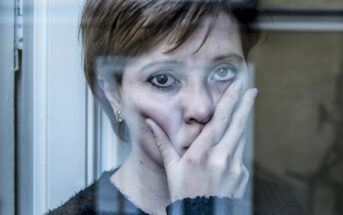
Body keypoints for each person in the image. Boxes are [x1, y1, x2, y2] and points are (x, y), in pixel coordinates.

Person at [48, 0, 304, 214]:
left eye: (223, 71)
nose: (202, 108)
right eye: (163, 79)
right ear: (113, 92)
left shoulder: (280, 203)